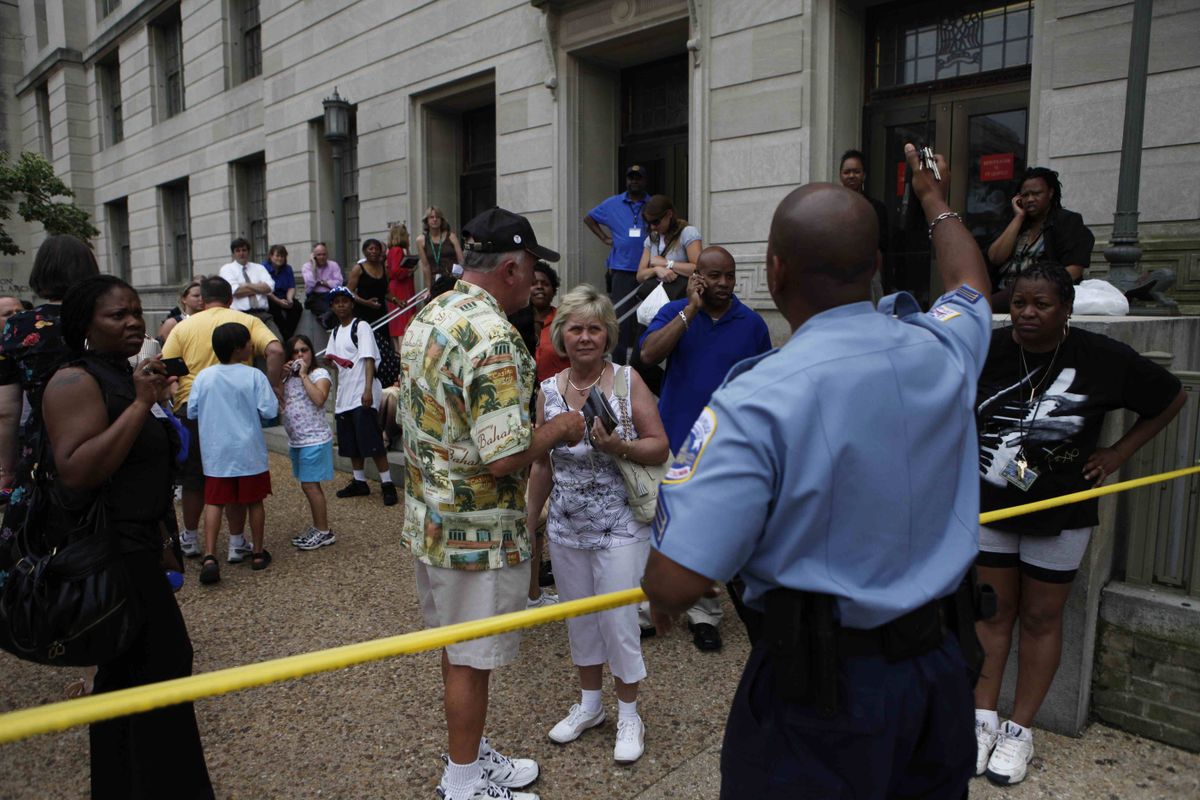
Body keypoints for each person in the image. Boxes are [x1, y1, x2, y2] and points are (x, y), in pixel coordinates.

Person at [642, 143, 994, 799]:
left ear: (775, 273)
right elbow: (969, 285)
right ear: (877, 267)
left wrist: (662, 596)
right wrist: (934, 200)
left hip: (820, 698)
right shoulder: (941, 349)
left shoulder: (755, 400)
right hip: (940, 674)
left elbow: (676, 579)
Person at [972, 260, 1185, 786]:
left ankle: (1019, 730)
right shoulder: (989, 349)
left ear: (1066, 309)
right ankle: (980, 720)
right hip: (991, 505)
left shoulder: (1101, 357)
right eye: (1019, 302)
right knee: (992, 613)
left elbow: (1171, 397)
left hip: (1063, 508)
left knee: (1043, 618)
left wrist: (1117, 452)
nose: (1026, 313)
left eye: (1041, 304)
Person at [399, 206, 585, 800]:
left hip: (432, 518)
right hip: (474, 532)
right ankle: (462, 781)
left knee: (459, 651)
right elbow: (504, 456)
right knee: (471, 658)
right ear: (509, 267)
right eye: (531, 267)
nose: (534, 280)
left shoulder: (432, 313)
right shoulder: (492, 335)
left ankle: (473, 758)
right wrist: (564, 427)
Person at [42, 275, 213, 798]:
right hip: (110, 553)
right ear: (84, 326)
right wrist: (141, 404)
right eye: (117, 315)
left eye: (136, 312)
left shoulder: (122, 375)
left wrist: (151, 399)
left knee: (138, 673)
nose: (133, 321)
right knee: (156, 665)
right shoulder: (74, 382)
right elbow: (76, 469)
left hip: (140, 545)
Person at [527, 284, 669, 764]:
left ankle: (629, 712)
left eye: (593, 328)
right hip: (567, 528)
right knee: (580, 619)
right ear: (561, 335)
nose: (584, 337)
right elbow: (542, 464)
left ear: (607, 334)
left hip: (621, 527)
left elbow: (659, 445)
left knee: (619, 621)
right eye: (575, 328)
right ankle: (590, 705)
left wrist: (618, 447)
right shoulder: (548, 390)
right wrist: (531, 520)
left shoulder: (628, 381)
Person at [638, 246, 772, 651]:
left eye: (729, 276)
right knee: (660, 524)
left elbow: (763, 383)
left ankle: (704, 614)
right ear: (697, 277)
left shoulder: (751, 323)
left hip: (724, 444)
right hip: (674, 435)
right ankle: (649, 607)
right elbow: (648, 354)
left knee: (709, 529)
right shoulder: (678, 311)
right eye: (714, 276)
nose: (724, 284)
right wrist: (691, 311)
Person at [161, 276, 283, 562]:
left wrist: (176, 391)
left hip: (194, 405)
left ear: (202, 300)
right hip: (239, 411)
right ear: (231, 299)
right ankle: (238, 541)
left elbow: (166, 367)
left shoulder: (184, 326)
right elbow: (275, 350)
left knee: (195, 481)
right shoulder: (245, 321)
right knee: (239, 482)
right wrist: (274, 385)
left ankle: (191, 539)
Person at [0, 235, 99, 502]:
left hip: (45, 441)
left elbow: (7, 411)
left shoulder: (19, 326)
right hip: (108, 433)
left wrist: (5, 469)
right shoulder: (106, 315)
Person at [187, 322, 279, 584]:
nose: (252, 346)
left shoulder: (204, 377)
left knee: (215, 501)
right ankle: (258, 552)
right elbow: (270, 411)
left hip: (216, 451)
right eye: (249, 342)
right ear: (239, 348)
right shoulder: (253, 376)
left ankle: (209, 555)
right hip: (249, 450)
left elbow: (192, 410)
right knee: (254, 501)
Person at [325, 286, 397, 507]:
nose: (341, 305)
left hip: (361, 391)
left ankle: (387, 484)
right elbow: (333, 359)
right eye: (336, 302)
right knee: (352, 441)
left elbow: (368, 358)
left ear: (351, 303)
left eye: (344, 301)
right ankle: (359, 481)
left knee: (371, 439)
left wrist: (367, 390)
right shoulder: (336, 332)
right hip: (345, 394)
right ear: (332, 306)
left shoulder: (361, 326)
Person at [986, 167, 1095, 311]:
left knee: (980, 307)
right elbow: (995, 257)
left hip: (1037, 292)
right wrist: (1019, 217)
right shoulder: (1016, 223)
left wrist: (1042, 286)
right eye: (1025, 195)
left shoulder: (1067, 221)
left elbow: (1075, 269)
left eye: (1037, 193)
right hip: (1002, 289)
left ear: (1050, 193)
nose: (1030, 199)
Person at [584, 165, 650, 366]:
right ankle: (619, 364)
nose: (634, 181)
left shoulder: (652, 203)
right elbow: (589, 218)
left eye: (638, 178)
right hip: (621, 270)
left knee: (644, 317)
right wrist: (604, 237)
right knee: (619, 319)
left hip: (646, 271)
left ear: (644, 181)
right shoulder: (612, 203)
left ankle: (640, 364)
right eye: (631, 177)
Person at [279, 334, 336, 550]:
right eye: (295, 352)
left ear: (312, 352)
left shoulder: (319, 374)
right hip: (298, 440)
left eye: (304, 350)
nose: (300, 355)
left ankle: (323, 531)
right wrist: (281, 376)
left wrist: (303, 375)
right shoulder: (288, 377)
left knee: (311, 485)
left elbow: (320, 398)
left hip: (315, 438)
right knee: (307, 485)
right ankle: (318, 526)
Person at [346, 237, 402, 387]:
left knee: (383, 347)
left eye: (376, 249)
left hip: (380, 312)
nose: (374, 251)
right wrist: (366, 302)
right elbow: (349, 292)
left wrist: (396, 301)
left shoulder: (384, 269)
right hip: (363, 314)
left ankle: (383, 379)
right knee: (367, 347)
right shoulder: (359, 268)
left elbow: (386, 291)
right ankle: (365, 379)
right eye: (370, 249)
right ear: (365, 251)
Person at [839, 149, 890, 298]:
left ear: (864, 175)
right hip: (838, 275)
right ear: (840, 175)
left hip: (868, 274)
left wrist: (876, 276)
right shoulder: (831, 207)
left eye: (856, 171)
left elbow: (880, 247)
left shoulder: (876, 208)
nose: (851, 176)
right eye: (847, 172)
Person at [219, 237, 279, 334]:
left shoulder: (259, 268)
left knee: (278, 341)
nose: (241, 253)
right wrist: (259, 287)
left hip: (262, 314)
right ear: (233, 253)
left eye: (244, 250)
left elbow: (270, 287)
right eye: (238, 251)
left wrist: (246, 285)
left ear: (248, 252)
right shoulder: (227, 269)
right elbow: (235, 291)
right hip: (239, 315)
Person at [415, 205, 465, 299]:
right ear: (427, 220)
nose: (435, 219)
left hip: (453, 279)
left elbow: (461, 260)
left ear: (441, 220)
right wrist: (428, 289)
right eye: (431, 217)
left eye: (437, 217)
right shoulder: (421, 240)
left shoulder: (451, 236)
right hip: (436, 283)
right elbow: (425, 266)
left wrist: (461, 279)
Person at [386, 223, 417, 350]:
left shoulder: (392, 251)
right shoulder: (398, 250)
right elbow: (396, 271)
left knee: (397, 325)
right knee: (403, 324)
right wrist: (409, 271)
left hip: (396, 287)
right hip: (401, 288)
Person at [264, 244, 302, 341]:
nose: (280, 258)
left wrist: (289, 299)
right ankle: (286, 336)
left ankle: (288, 334)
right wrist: (278, 301)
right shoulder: (263, 268)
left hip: (284, 296)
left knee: (297, 306)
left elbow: (291, 287)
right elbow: (266, 290)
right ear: (271, 256)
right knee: (274, 309)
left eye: (282, 256)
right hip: (270, 298)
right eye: (277, 256)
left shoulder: (288, 268)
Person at [301, 242, 344, 325]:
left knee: (343, 307)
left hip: (332, 295)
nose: (322, 257)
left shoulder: (333, 265)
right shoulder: (307, 266)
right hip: (314, 297)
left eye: (324, 254)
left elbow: (339, 283)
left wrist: (322, 282)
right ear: (313, 256)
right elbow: (311, 284)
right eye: (319, 255)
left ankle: (326, 319)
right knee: (331, 309)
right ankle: (325, 320)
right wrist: (313, 265)